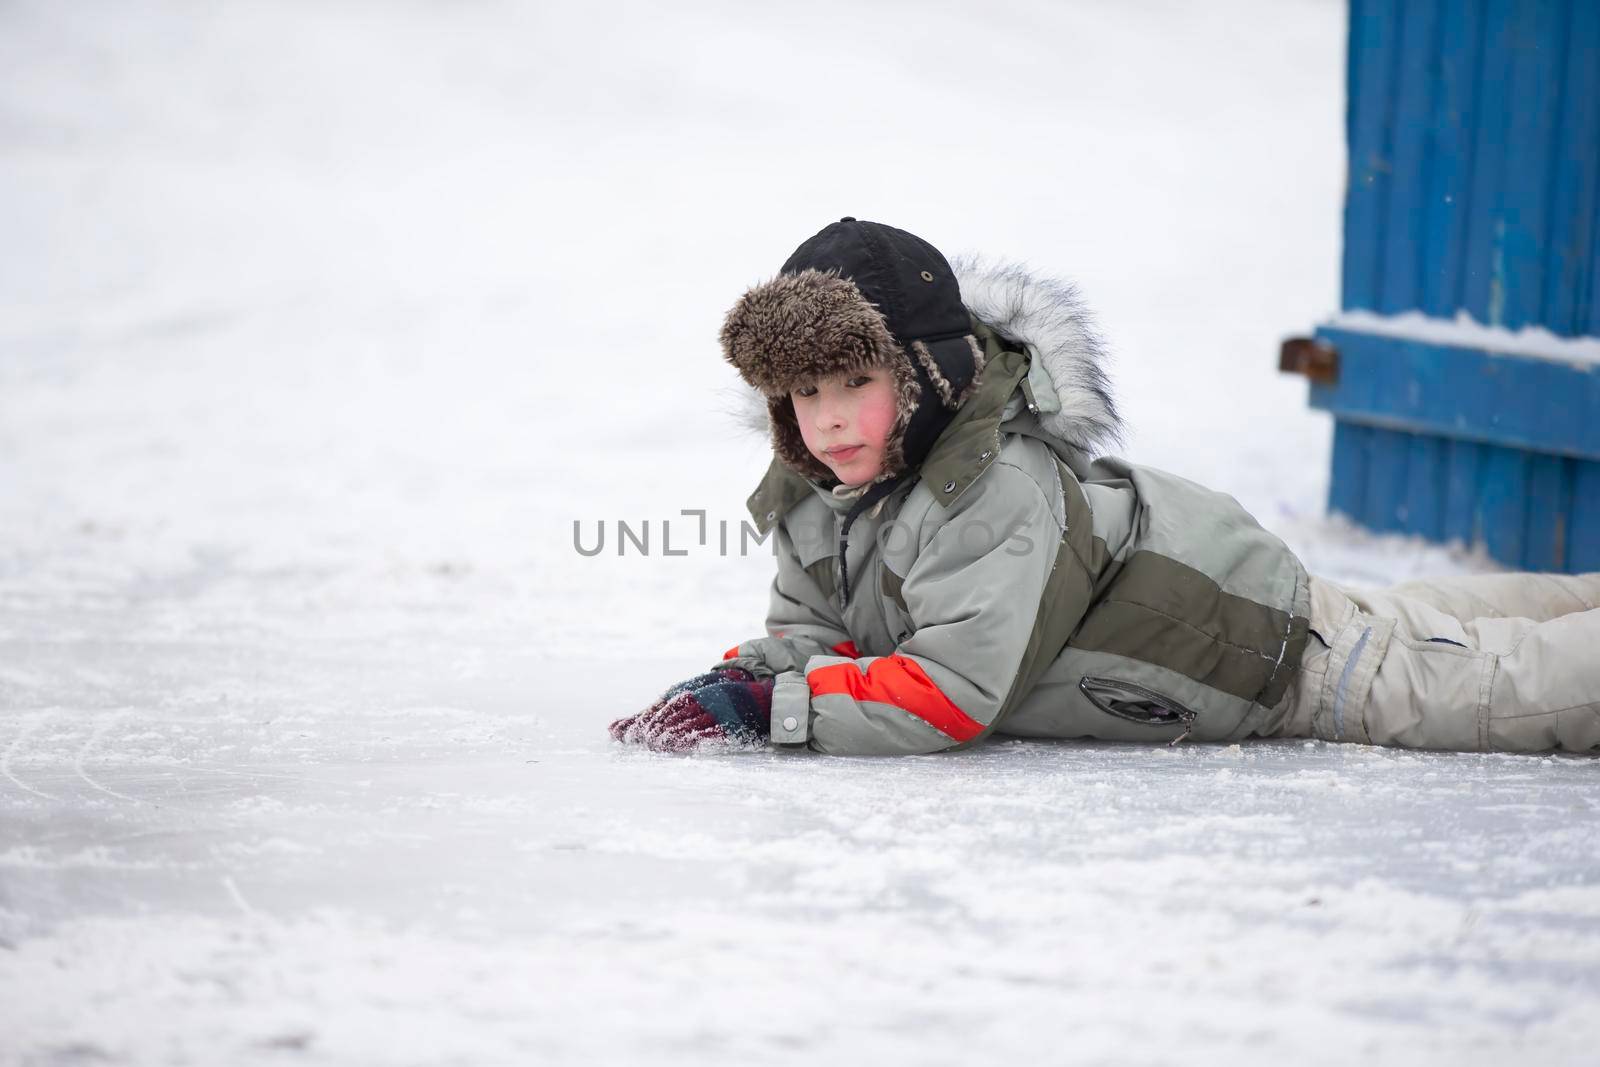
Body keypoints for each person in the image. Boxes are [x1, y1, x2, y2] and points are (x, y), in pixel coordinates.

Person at [608, 219, 1600, 756]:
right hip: (1235, 597)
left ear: (928, 377)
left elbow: (947, 693)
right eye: (804, 391)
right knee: (1432, 617)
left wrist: (773, 713)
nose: (826, 418)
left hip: (1264, 655)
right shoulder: (819, 490)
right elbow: (823, 638)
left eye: (856, 382)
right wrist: (739, 677)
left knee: (1487, 686)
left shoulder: (983, 494)